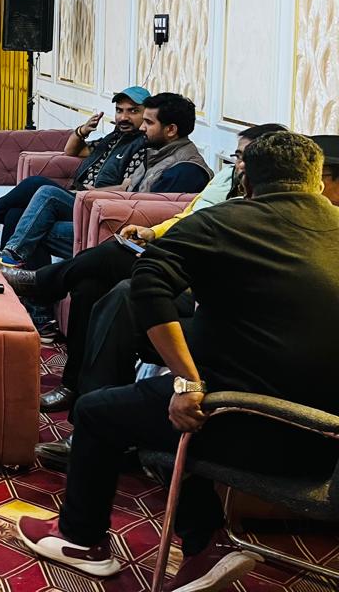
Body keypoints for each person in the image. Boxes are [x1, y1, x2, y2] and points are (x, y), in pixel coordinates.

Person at [17, 132, 339, 591]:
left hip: (249, 423)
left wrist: (187, 382)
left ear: (245, 179)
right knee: (156, 404)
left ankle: (80, 539)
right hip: (327, 438)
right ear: (317, 181)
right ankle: (206, 545)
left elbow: (147, 284)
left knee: (100, 411)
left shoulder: (224, 222)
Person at [13, 123, 286, 427]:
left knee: (117, 265)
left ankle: (40, 283)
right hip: (177, 252)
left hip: (199, 278)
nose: (240, 164)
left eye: (248, 158)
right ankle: (76, 391)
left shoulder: (260, 207)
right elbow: (188, 217)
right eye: (238, 155)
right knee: (90, 284)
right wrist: (152, 232)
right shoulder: (225, 179)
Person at [0, 93, 211, 269]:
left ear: (171, 129)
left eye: (148, 123)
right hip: (107, 209)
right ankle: (12, 259)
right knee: (42, 196)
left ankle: (35, 305)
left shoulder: (185, 170)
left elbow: (150, 215)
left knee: (38, 223)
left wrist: (96, 197)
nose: (142, 127)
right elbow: (131, 191)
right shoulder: (157, 151)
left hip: (119, 230)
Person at [0, 87, 149, 238]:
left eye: (133, 111)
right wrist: (83, 130)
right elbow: (72, 150)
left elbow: (127, 189)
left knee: (36, 184)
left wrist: (90, 192)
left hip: (95, 201)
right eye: (119, 111)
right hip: (80, 194)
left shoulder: (143, 145)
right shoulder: (115, 138)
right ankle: (7, 264)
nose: (124, 117)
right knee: (15, 211)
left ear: (146, 114)